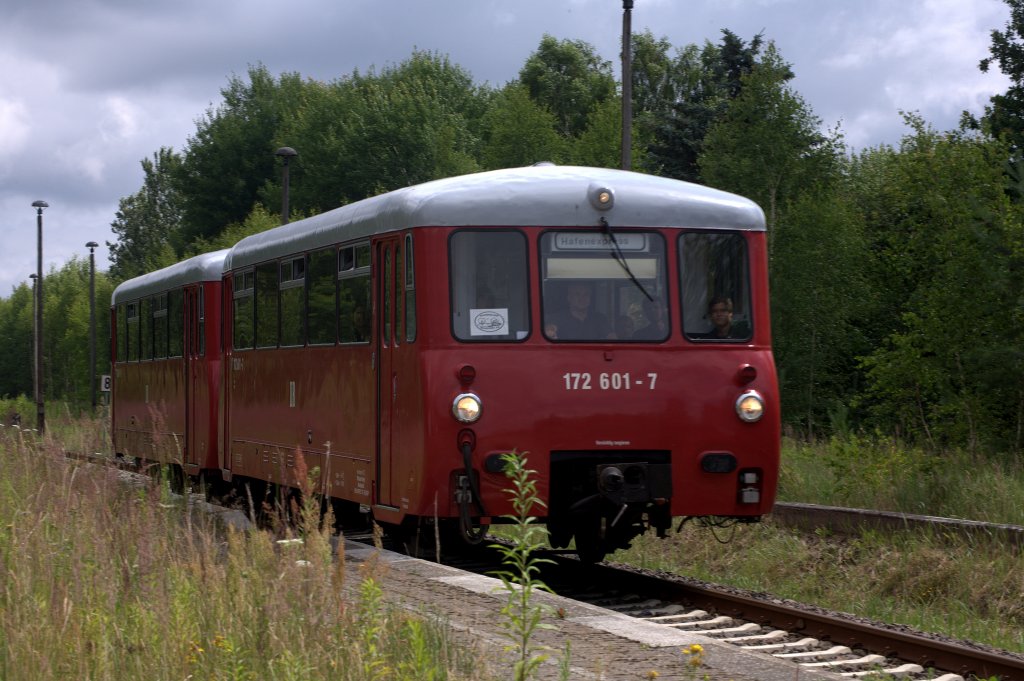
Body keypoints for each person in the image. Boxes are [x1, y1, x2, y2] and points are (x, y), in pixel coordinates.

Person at [545, 282, 612, 340]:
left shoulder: (599, 318)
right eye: (577, 294)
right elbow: (550, 330)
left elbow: (612, 338)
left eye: (586, 294)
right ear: (569, 298)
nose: (582, 298)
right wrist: (551, 332)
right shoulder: (557, 318)